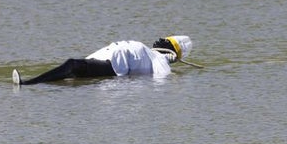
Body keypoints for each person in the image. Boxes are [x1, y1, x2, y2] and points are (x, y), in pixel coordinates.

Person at [12, 35, 193, 86]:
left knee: (72, 66)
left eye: (165, 43)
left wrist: (167, 63)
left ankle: (29, 83)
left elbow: (163, 78)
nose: (159, 42)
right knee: (73, 69)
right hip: (106, 58)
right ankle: (38, 82)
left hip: (114, 68)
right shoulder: (150, 52)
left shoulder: (159, 60)